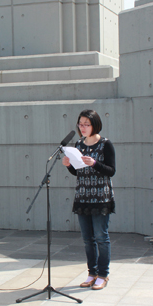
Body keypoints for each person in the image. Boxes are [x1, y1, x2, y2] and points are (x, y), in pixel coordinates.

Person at [62, 109, 115, 290]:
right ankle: (91, 273)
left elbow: (111, 170)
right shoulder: (78, 144)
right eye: (80, 124)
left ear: (95, 125)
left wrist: (95, 164)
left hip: (100, 197)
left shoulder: (105, 144)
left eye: (86, 124)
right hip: (83, 196)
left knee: (101, 237)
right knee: (87, 239)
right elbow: (78, 172)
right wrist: (69, 166)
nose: (82, 127)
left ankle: (103, 274)